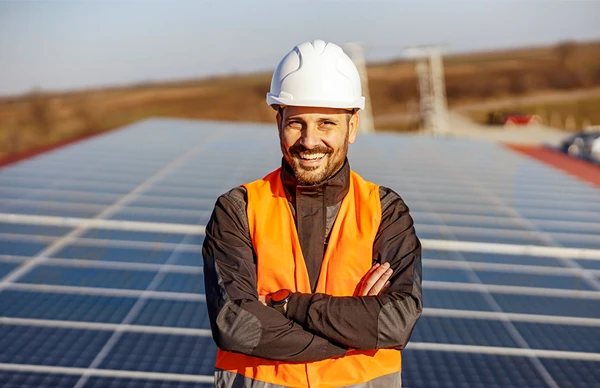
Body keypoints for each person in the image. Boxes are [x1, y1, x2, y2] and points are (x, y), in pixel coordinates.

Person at [202, 39, 422, 388]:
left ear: (352, 127)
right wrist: (353, 332)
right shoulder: (238, 209)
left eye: (326, 124)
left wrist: (289, 306)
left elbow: (394, 323)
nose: (308, 140)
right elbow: (237, 326)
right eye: (296, 123)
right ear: (279, 123)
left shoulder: (385, 211)